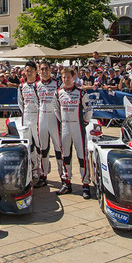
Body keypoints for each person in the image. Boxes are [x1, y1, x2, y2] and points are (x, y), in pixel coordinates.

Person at [54, 67, 92, 198]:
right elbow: (56, 110)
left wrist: (85, 123)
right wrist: (62, 122)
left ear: (73, 77)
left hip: (78, 128)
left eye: (68, 77)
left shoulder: (81, 93)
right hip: (65, 128)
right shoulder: (58, 93)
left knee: (82, 156)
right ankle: (66, 183)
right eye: (63, 77)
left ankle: (85, 184)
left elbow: (89, 110)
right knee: (66, 156)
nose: (66, 80)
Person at [36, 60, 63, 187]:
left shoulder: (57, 83)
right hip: (42, 117)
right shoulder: (36, 85)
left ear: (50, 70)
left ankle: (63, 176)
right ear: (39, 71)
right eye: (42, 69)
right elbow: (36, 103)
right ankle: (43, 175)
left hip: (54, 118)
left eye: (46, 68)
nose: (44, 71)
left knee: (59, 148)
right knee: (43, 149)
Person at [17, 61, 41, 183]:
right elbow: (20, 103)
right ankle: (32, 169)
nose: (29, 72)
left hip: (38, 118)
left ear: (36, 71)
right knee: (28, 145)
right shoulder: (21, 87)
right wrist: (25, 114)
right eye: (27, 70)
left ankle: (41, 170)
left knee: (40, 146)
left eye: (31, 70)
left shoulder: (39, 85)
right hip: (26, 117)